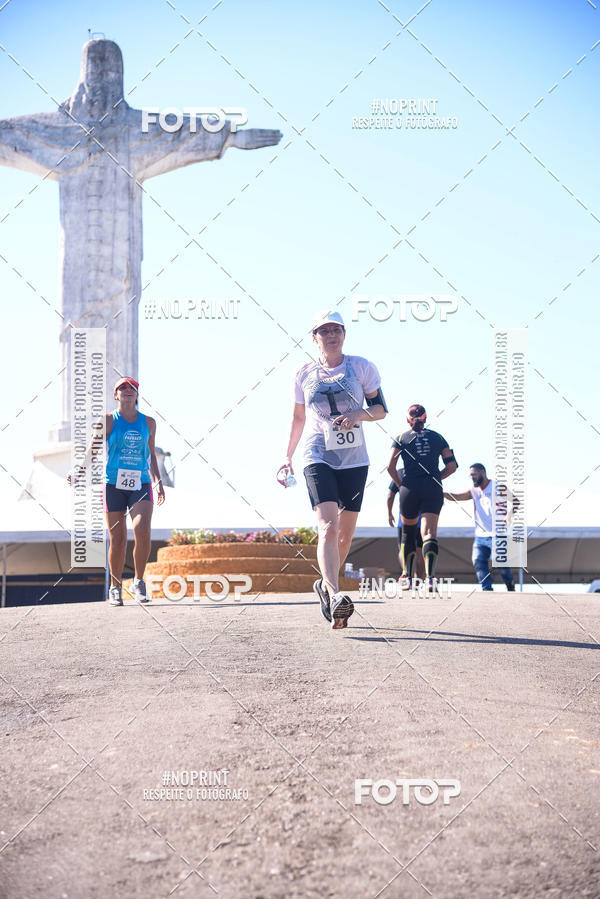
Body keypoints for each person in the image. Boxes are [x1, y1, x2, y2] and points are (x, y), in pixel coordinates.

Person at [277, 310, 387, 629]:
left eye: (336, 330)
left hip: (354, 459)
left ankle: (325, 587)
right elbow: (298, 418)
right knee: (327, 525)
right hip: (317, 453)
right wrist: (287, 456)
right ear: (315, 338)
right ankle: (336, 594)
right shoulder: (303, 372)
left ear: (344, 334)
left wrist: (358, 415)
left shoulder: (361, 367)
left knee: (344, 534)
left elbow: (380, 410)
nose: (331, 336)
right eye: (324, 331)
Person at [387, 404, 457, 592]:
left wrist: (401, 485)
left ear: (407, 420)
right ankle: (431, 578)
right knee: (429, 534)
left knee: (408, 532)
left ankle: (406, 577)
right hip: (432, 488)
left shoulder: (401, 438)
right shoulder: (437, 437)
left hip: (410, 488)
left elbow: (390, 467)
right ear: (426, 418)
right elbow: (452, 466)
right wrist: (435, 478)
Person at [444, 463, 515, 591]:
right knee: (478, 560)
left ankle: (510, 584)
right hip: (480, 535)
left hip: (498, 533)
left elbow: (515, 501)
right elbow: (457, 497)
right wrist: (442, 493)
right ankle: (486, 589)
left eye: (474, 475)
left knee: (500, 562)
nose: (472, 478)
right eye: (470, 476)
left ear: (482, 472)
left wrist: (508, 515)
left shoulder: (498, 486)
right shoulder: (474, 491)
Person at [386, 471, 425, 582]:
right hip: (422, 518)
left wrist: (389, 514)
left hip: (404, 518)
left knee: (403, 548)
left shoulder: (399, 473)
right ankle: (418, 579)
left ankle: (407, 575)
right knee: (419, 551)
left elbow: (390, 496)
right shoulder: (424, 470)